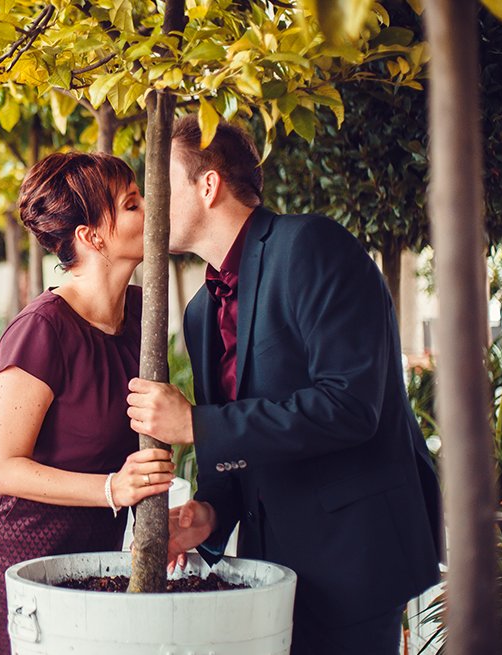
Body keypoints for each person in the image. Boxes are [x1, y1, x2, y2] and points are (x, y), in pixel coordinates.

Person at [125, 116, 442, 655]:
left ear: (208, 186)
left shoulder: (311, 244)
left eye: (162, 183)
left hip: (354, 555)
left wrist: (194, 424)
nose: (150, 203)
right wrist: (210, 513)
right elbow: (238, 445)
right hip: (270, 566)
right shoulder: (201, 310)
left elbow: (349, 404)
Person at [0, 151, 175, 655]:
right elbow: (4, 469)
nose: (151, 211)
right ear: (91, 236)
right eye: (131, 204)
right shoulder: (43, 329)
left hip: (98, 550)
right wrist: (112, 488)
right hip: (20, 549)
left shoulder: (144, 313)